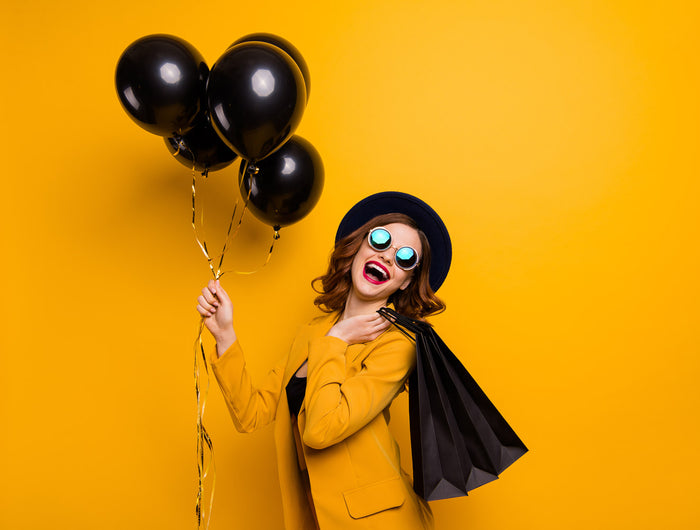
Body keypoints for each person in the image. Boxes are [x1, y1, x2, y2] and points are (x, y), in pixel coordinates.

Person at [196, 192, 452, 529]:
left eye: (405, 258)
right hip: (317, 516)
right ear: (359, 247)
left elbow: (321, 430)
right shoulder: (313, 332)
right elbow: (251, 413)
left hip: (380, 521)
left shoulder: (397, 346)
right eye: (380, 240)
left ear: (406, 281)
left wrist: (338, 340)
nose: (389, 257)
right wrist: (225, 334)